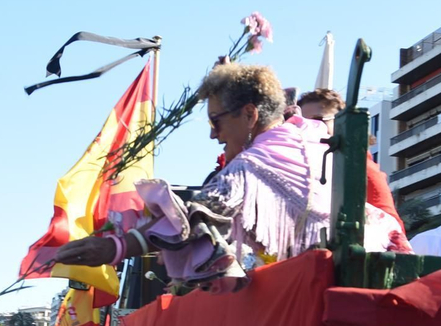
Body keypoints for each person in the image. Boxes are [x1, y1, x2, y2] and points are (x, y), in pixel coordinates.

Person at [59, 64, 401, 289]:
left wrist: (116, 246)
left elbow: (196, 218)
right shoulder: (306, 131)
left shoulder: (252, 165)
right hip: (381, 266)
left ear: (250, 114)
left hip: (346, 282)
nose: (213, 135)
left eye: (216, 122)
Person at [297, 87, 411, 252]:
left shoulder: (359, 163)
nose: (311, 128)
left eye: (319, 120)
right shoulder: (302, 161)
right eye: (303, 123)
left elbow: (389, 220)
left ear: (342, 123)